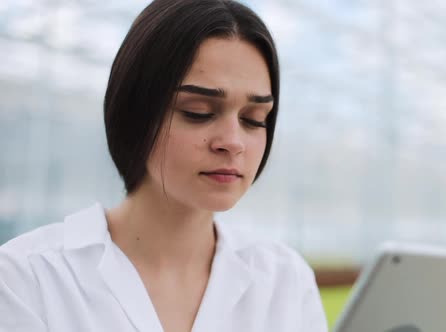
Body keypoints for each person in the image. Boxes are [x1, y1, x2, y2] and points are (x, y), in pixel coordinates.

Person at [0, 0, 328, 331]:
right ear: (135, 113)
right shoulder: (26, 279)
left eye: (253, 119)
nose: (233, 141)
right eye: (198, 111)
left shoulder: (286, 281)